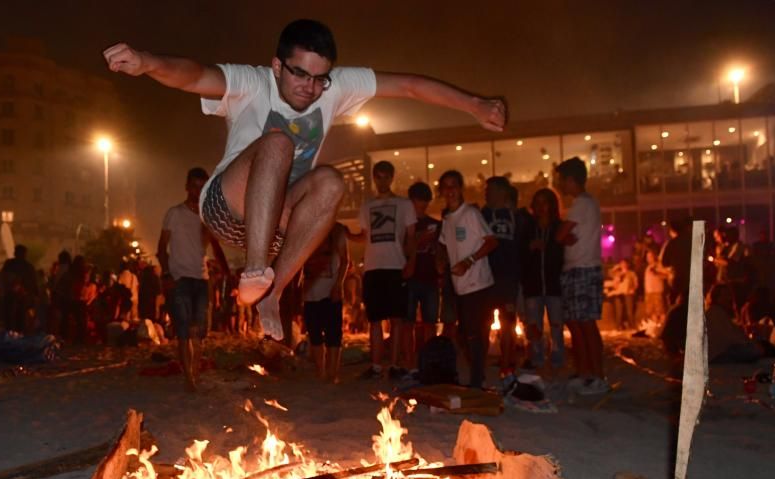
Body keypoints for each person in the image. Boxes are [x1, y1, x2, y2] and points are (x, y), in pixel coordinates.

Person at [103, 19, 505, 341]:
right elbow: (194, 75)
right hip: (227, 206)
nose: (311, 89)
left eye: (320, 79)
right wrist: (147, 62)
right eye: (300, 76)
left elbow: (410, 86)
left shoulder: (332, 86)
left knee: (330, 181)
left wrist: (474, 104)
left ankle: (272, 296)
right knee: (278, 144)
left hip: (278, 221)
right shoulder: (253, 82)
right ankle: (257, 272)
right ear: (278, 65)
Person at [156, 167, 230, 391]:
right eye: (194, 186)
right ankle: (189, 378)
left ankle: (195, 373)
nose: (198, 191)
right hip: (180, 279)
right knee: (183, 331)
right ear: (187, 186)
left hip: (201, 277)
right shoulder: (174, 213)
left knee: (199, 332)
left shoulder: (206, 216)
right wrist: (167, 274)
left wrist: (226, 270)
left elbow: (215, 246)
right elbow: (161, 248)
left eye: (202, 187)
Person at [436, 170, 498, 389]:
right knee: (465, 334)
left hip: (479, 283)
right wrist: (442, 262)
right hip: (459, 285)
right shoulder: (447, 219)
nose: (450, 191)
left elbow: (491, 241)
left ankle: (477, 380)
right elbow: (444, 244)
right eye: (446, 186)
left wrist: (469, 260)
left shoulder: (470, 214)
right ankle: (477, 376)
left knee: (474, 333)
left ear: (460, 188)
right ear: (442, 191)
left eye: (454, 185)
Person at [359, 161, 416, 379]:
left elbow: (411, 237)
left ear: (392, 178)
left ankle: (393, 364)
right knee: (374, 319)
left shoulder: (404, 205)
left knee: (397, 319)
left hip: (395, 265)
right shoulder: (366, 207)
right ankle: (375, 365)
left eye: (385, 177)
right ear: (374, 178)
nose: (382, 181)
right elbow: (365, 238)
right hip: (373, 268)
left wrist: (411, 262)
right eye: (378, 176)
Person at [555, 157, 607, 395]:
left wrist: (563, 236)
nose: (559, 185)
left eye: (561, 180)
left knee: (585, 325)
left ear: (570, 180)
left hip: (583, 268)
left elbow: (560, 235)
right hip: (579, 268)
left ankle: (596, 375)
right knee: (577, 324)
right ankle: (586, 373)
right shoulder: (587, 203)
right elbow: (565, 236)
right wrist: (565, 237)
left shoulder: (581, 203)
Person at [519, 188, 565, 369]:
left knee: (556, 324)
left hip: (554, 285)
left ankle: (557, 354)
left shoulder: (558, 228)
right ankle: (536, 355)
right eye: (537, 203)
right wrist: (530, 247)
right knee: (534, 324)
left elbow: (563, 254)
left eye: (544, 203)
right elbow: (520, 254)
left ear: (551, 205)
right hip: (533, 285)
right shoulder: (529, 229)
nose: (540, 207)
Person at [482, 176, 523, 371]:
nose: (486, 193)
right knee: (484, 320)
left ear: (501, 192)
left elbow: (524, 243)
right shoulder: (481, 214)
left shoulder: (515, 216)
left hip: (508, 277)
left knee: (508, 321)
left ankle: (508, 363)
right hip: (485, 277)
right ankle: (481, 363)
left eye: (489, 189)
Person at [302, 222, 348, 383]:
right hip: (310, 291)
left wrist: (338, 285)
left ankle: (332, 372)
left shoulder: (337, 229)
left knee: (333, 333)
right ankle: (321, 371)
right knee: (314, 333)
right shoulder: (304, 227)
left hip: (330, 290)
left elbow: (344, 260)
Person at [404, 181, 442, 375]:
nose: (422, 205)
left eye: (425, 201)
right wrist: (418, 239)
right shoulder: (405, 226)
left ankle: (429, 360)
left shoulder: (435, 224)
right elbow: (403, 250)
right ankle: (410, 362)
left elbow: (441, 251)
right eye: (419, 201)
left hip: (430, 277)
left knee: (430, 322)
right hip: (410, 278)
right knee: (408, 322)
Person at [0, 244, 38, 333]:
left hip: (19, 296)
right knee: (15, 317)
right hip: (15, 296)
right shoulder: (26, 266)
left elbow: (3, 278)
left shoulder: (10, 264)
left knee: (16, 317)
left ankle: (14, 333)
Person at [604, 259, 638, 331]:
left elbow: (636, 283)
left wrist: (632, 289)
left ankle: (632, 327)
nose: (623, 265)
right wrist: (616, 268)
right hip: (618, 294)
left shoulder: (631, 273)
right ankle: (619, 327)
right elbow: (610, 274)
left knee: (629, 311)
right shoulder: (617, 273)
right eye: (621, 263)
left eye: (625, 263)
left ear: (628, 264)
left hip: (628, 294)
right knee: (619, 312)